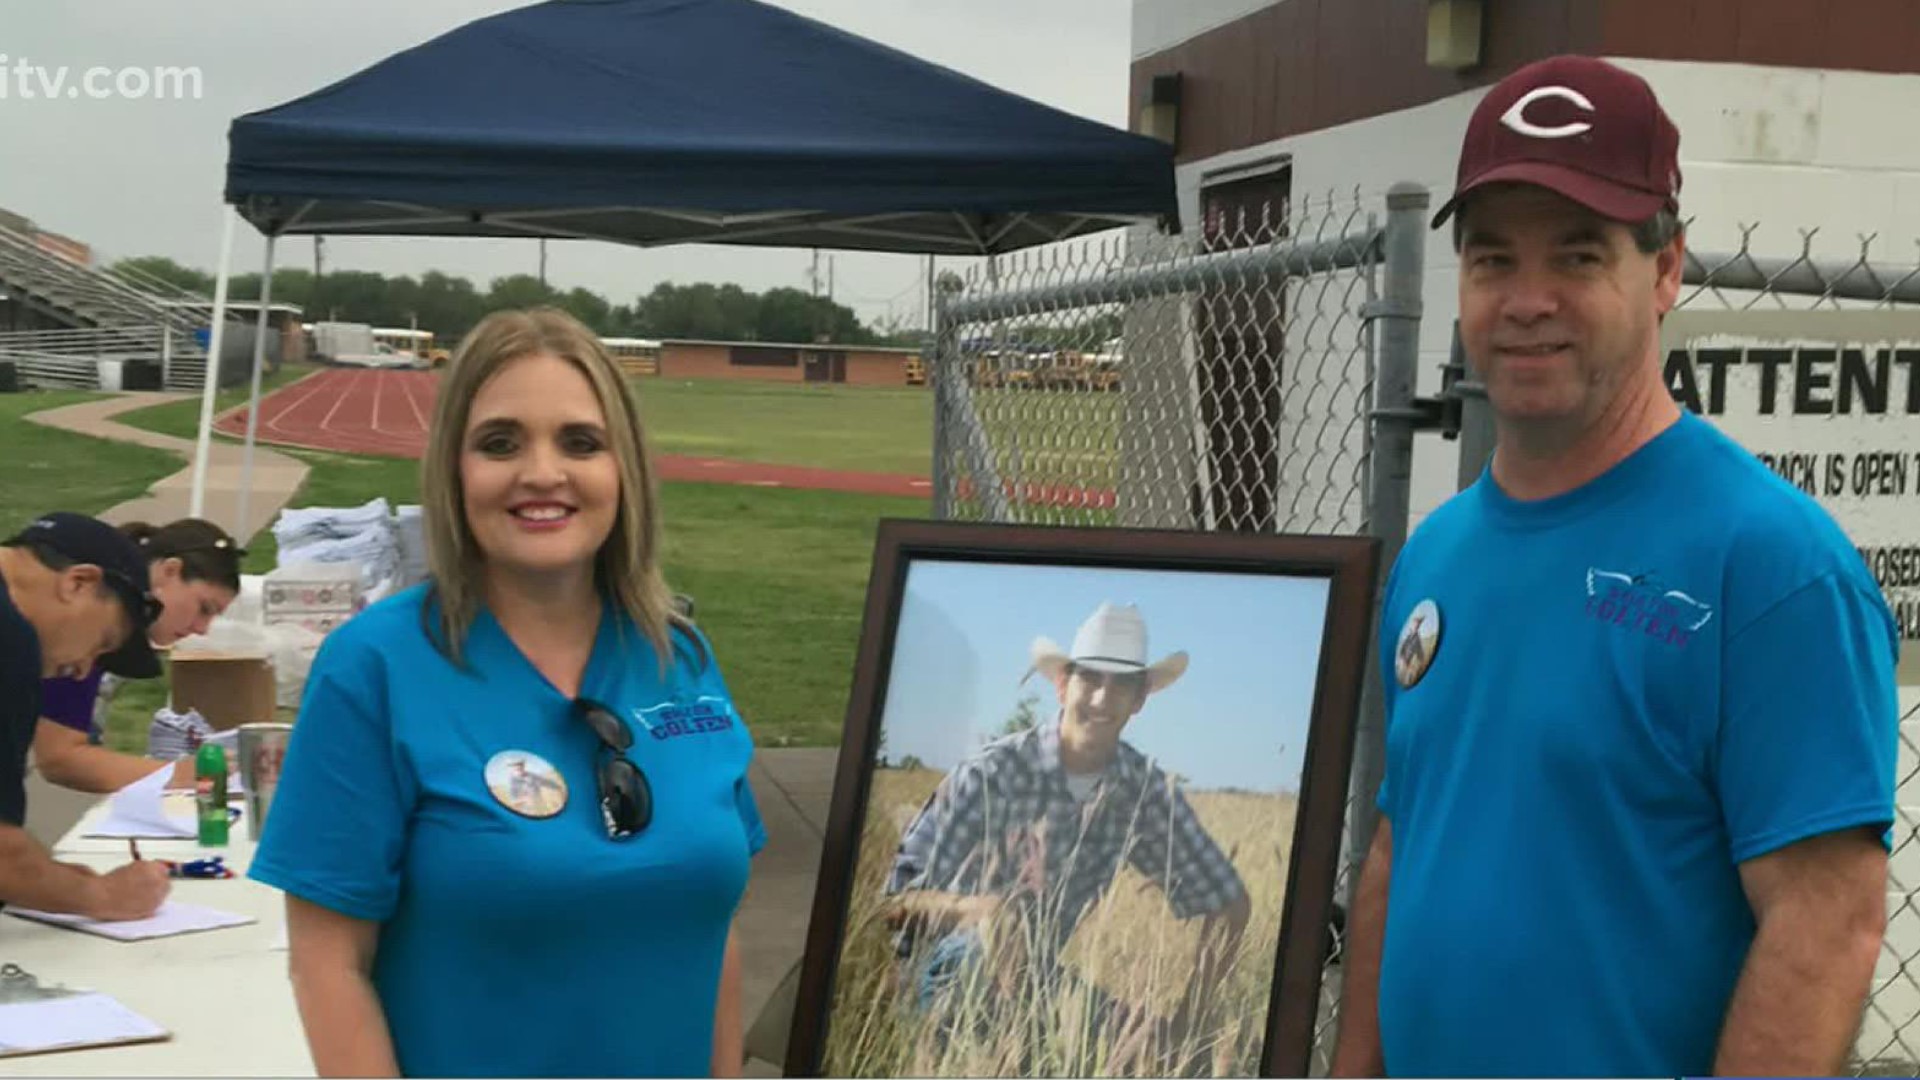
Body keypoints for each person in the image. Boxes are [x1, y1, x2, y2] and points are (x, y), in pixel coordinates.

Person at [1330, 55, 1899, 1079]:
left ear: (1668, 269)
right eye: (1493, 260)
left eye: (1580, 257)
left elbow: (1826, 926)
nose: (1527, 300)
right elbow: (1397, 846)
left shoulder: (1770, 569)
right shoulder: (1437, 553)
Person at [247, 308, 766, 1078]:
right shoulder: (374, 668)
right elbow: (328, 967)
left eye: (581, 443)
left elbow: (712, 933)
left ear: (623, 469)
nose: (542, 473)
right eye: (500, 443)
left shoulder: (679, 655)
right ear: (454, 470)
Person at [882, 601, 1251, 1069]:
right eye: (1091, 679)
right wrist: (980, 913)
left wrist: (1186, 1024)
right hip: (941, 978)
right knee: (975, 963)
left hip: (1039, 982)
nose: (1101, 698)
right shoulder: (991, 773)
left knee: (1170, 1052)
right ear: (1062, 685)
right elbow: (895, 903)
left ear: (1140, 700)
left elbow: (1230, 904)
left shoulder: (1142, 792)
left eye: (1121, 685)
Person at [0, 512, 172, 920]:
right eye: (102, 643)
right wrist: (102, 895)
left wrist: (51, 880)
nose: (81, 670)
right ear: (78, 583)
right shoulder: (11, 638)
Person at [33, 518, 243, 793]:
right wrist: (176, 774)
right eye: (204, 608)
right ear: (169, 571)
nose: (202, 629)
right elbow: (61, 757)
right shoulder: (93, 621)